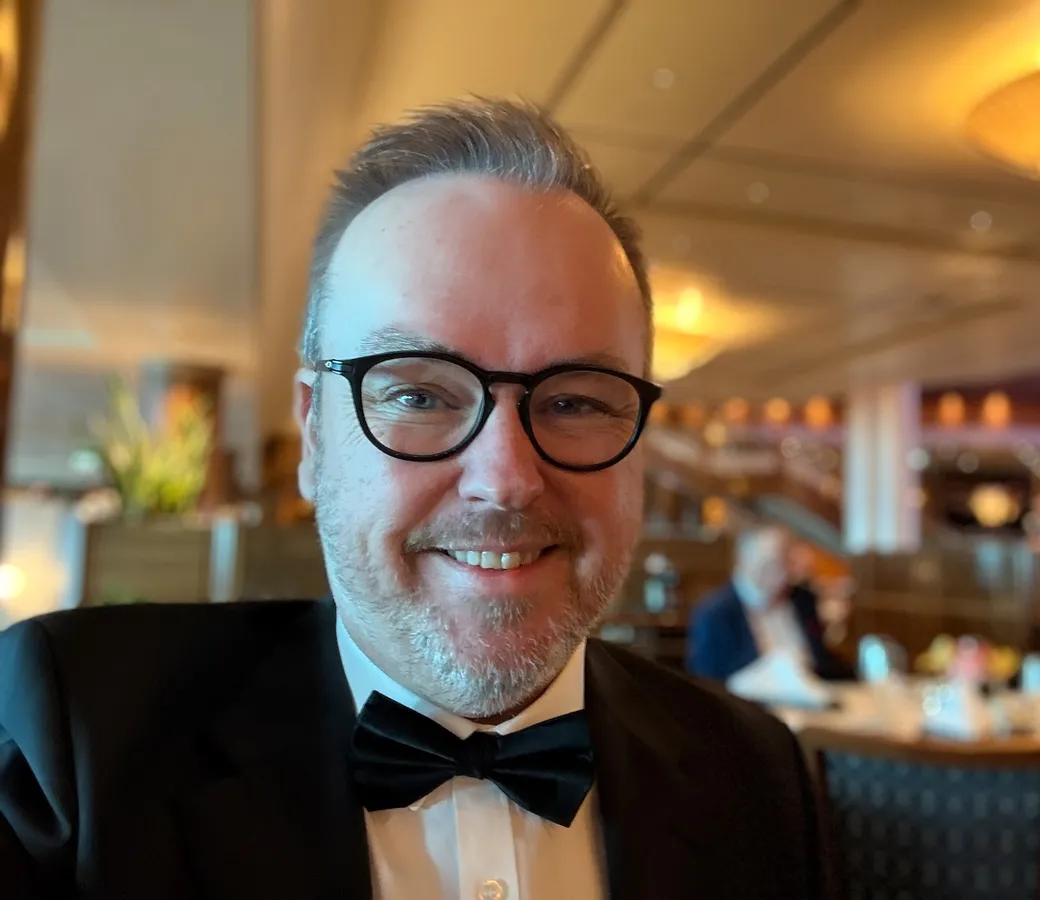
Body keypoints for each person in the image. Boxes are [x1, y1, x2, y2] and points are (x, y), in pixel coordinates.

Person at [0, 99, 823, 899]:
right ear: (315, 433)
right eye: (420, 396)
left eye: (575, 401)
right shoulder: (73, 744)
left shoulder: (756, 771)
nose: (504, 478)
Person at [687, 525, 854, 683]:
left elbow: (824, 663)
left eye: (785, 564)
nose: (781, 574)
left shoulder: (803, 600)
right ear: (744, 561)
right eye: (770, 565)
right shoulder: (714, 613)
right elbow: (708, 681)